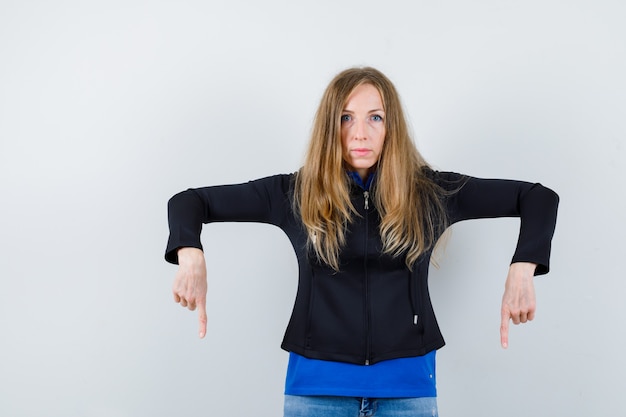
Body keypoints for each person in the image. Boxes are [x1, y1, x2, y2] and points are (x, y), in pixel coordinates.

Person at [165, 67, 559, 417]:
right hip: (316, 390)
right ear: (329, 126)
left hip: (408, 391)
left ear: (392, 127)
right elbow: (189, 202)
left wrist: (523, 267)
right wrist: (191, 253)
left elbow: (538, 197)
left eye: (375, 118)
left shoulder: (431, 193)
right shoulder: (294, 193)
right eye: (346, 118)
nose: (360, 132)